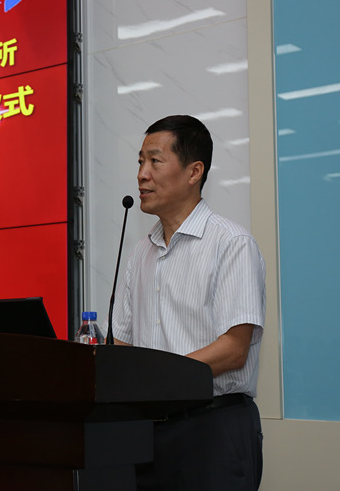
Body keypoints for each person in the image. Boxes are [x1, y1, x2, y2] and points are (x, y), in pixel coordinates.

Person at [111, 115, 265, 490]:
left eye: (155, 161)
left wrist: (157, 377)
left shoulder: (231, 243)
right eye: (140, 162)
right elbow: (124, 344)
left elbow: (234, 349)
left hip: (213, 429)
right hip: (146, 432)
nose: (142, 175)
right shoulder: (140, 253)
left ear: (194, 171)